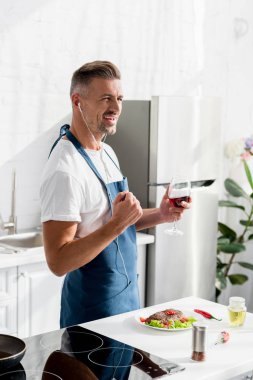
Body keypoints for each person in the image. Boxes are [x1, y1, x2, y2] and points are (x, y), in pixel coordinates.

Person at [40, 60, 190, 328]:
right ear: (78, 101)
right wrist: (118, 223)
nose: (117, 107)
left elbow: (116, 221)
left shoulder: (107, 152)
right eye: (106, 98)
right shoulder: (65, 168)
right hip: (90, 315)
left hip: (127, 303)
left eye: (119, 98)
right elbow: (58, 261)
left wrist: (162, 214)